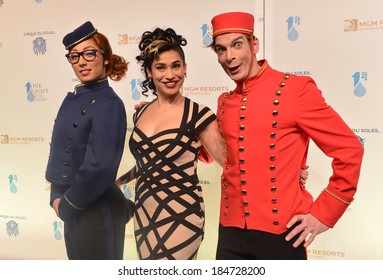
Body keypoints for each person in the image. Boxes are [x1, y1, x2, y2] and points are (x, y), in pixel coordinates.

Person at [208, 12, 364, 260]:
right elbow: (217, 152)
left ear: (254, 44)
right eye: (221, 49)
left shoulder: (295, 89)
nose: (229, 57)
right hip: (229, 233)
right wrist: (168, 112)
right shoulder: (224, 102)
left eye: (237, 44)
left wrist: (325, 213)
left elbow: (349, 149)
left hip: (282, 233)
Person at [118, 27, 226, 260]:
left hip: (181, 215)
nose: (170, 74)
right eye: (161, 67)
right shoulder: (141, 112)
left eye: (176, 65)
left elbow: (232, 164)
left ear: (185, 68)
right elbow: (151, 163)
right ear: (149, 71)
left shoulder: (198, 115)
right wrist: (117, 183)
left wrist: (286, 172)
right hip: (145, 211)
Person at [45, 21, 132, 260]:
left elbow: (100, 167)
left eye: (89, 53)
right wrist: (56, 195)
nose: (81, 61)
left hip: (98, 211)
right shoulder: (73, 98)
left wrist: (66, 206)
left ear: (105, 57)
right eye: (74, 56)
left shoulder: (109, 103)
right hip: (74, 208)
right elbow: (60, 153)